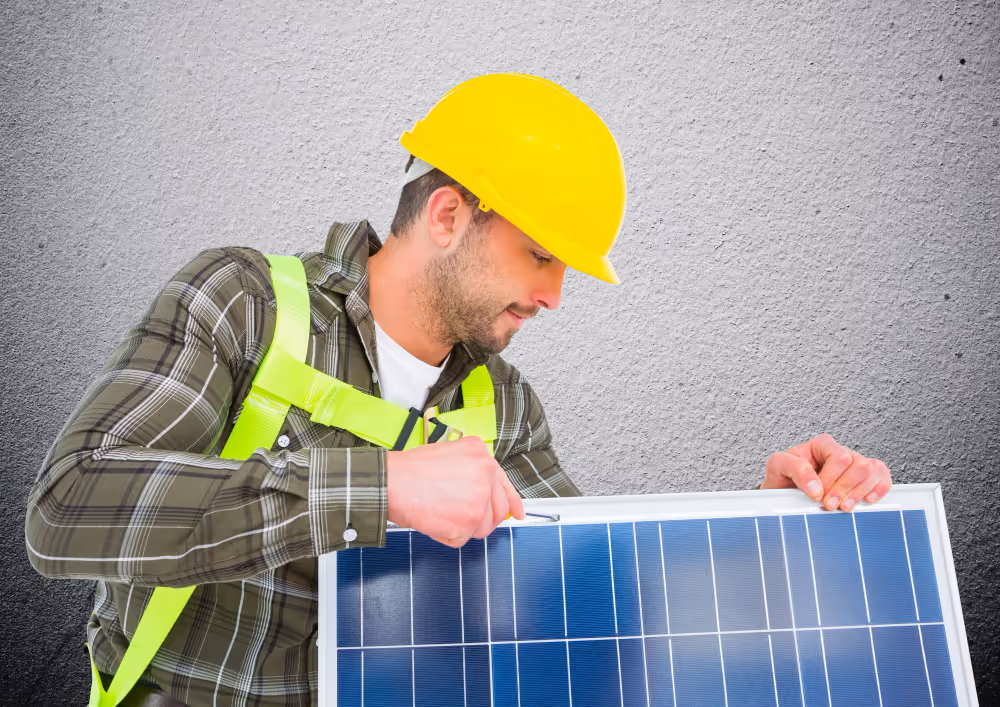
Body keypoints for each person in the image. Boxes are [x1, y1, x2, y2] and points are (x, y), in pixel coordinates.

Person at [25, 73, 891, 706]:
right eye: (542, 255)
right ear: (447, 216)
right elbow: (67, 509)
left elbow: (596, 612)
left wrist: (771, 523)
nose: (554, 296)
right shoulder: (244, 303)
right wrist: (379, 488)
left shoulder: (504, 409)